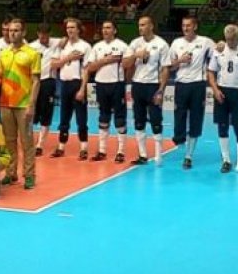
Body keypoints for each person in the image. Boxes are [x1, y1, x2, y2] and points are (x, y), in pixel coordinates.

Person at [0, 18, 41, 190]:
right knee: (9, 141)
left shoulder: (32, 54)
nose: (12, 33)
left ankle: (29, 176)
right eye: (10, 30)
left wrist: (31, 104)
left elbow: (36, 81)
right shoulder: (3, 53)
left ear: (23, 32)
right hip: (5, 103)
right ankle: (10, 173)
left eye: (16, 30)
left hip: (23, 104)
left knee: (27, 141)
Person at [207, 24, 238, 173]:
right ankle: (226, 159)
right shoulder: (219, 50)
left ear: (237, 36)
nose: (230, 43)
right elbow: (210, 72)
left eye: (232, 39)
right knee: (222, 125)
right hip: (222, 90)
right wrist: (215, 90)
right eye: (227, 39)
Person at [168, 15, 215, 169]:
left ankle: (189, 156)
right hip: (181, 84)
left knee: (195, 120)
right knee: (179, 117)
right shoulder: (176, 43)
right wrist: (180, 60)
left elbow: (220, 52)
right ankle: (180, 140)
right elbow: (169, 67)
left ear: (195, 26)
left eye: (188, 25)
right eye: (183, 25)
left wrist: (221, 45)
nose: (185, 28)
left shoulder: (205, 42)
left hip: (198, 85)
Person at [122, 15, 170, 165]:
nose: (140, 28)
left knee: (156, 120)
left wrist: (161, 90)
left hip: (153, 86)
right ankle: (142, 155)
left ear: (151, 26)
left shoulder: (161, 44)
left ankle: (158, 156)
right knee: (138, 120)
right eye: (139, 25)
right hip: (138, 85)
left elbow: (165, 69)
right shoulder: (135, 43)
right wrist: (136, 55)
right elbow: (125, 63)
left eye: (143, 25)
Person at [82, 20, 129, 163]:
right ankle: (102, 150)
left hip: (117, 84)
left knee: (120, 119)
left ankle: (121, 151)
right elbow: (90, 68)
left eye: (108, 28)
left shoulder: (123, 46)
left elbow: (128, 65)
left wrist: (125, 80)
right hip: (101, 84)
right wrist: (107, 60)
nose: (105, 30)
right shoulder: (97, 47)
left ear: (115, 30)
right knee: (103, 117)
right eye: (103, 28)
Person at [50, 18, 91, 160]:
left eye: (73, 27)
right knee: (63, 118)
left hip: (77, 83)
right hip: (64, 84)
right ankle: (61, 147)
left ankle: (84, 148)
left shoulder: (85, 46)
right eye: (68, 27)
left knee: (81, 118)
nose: (70, 30)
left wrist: (82, 89)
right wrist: (68, 58)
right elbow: (54, 65)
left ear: (79, 29)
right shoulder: (62, 46)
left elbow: (86, 69)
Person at [29, 23, 62, 155]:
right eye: (41, 36)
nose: (44, 38)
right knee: (30, 112)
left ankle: (40, 145)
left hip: (49, 82)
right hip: (33, 81)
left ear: (50, 34)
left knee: (46, 113)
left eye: (46, 36)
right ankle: (29, 142)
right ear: (38, 34)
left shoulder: (56, 43)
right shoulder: (31, 47)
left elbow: (65, 39)